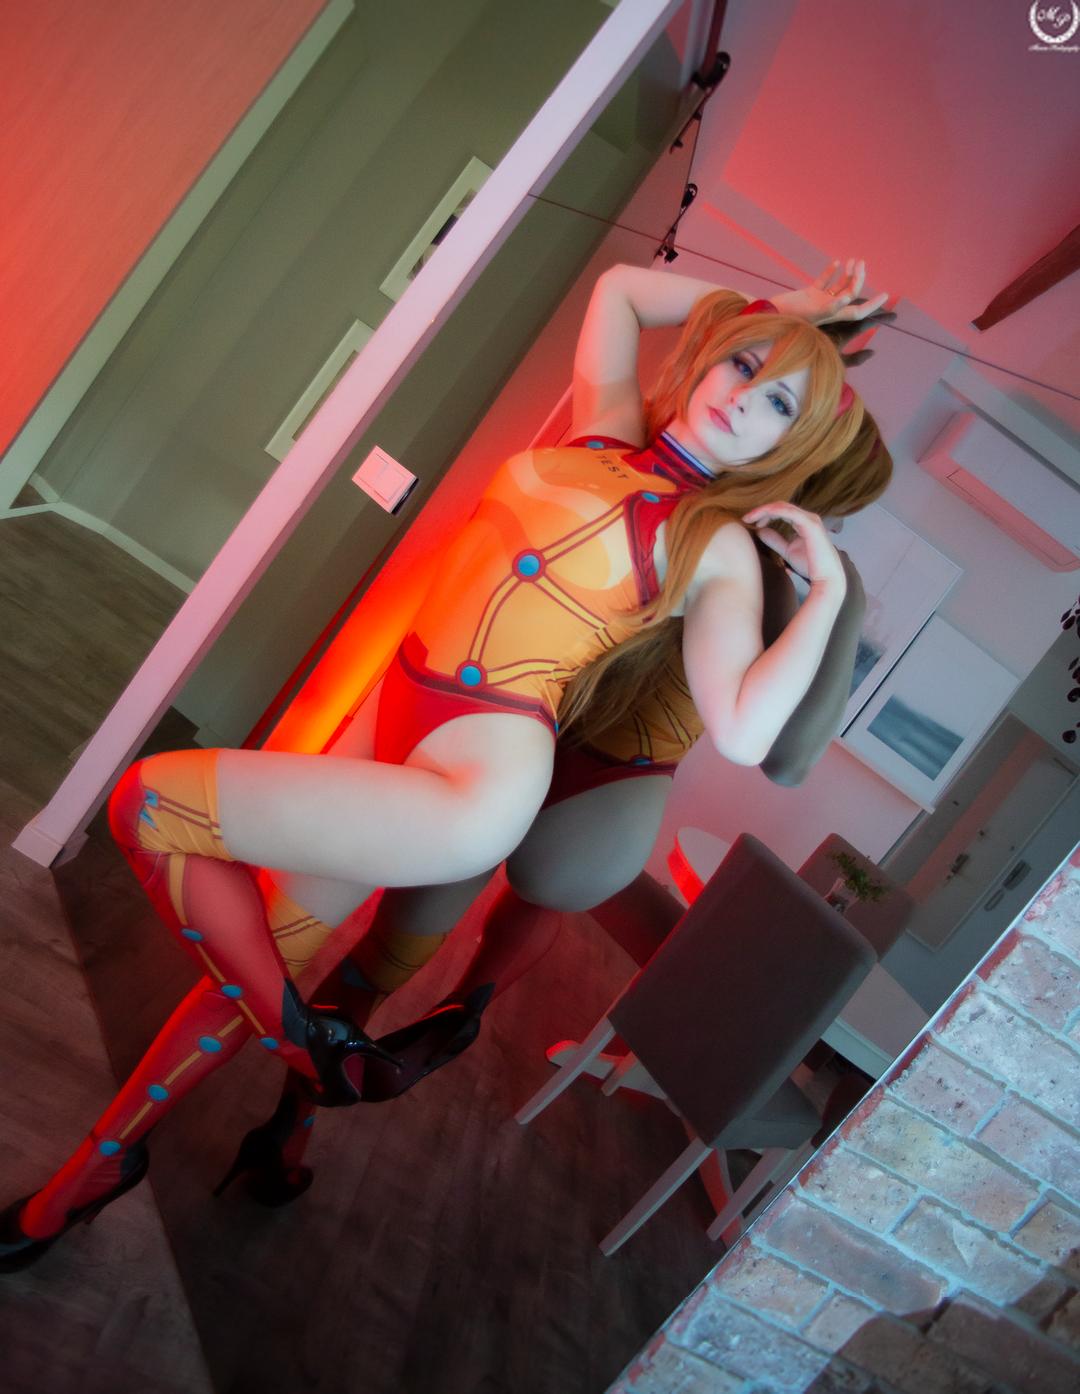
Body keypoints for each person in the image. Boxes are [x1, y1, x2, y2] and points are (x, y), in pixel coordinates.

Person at [1, 258, 890, 1267]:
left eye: (779, 403)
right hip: (394, 727)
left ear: (792, 445)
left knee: (150, 806)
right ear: (713, 351)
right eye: (743, 362)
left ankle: (307, 1053)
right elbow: (618, 289)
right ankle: (99, 1167)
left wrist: (825, 593)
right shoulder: (604, 432)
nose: (742, 395)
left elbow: (743, 732)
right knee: (244, 960)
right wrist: (785, 310)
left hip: (476, 783)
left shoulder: (716, 547)